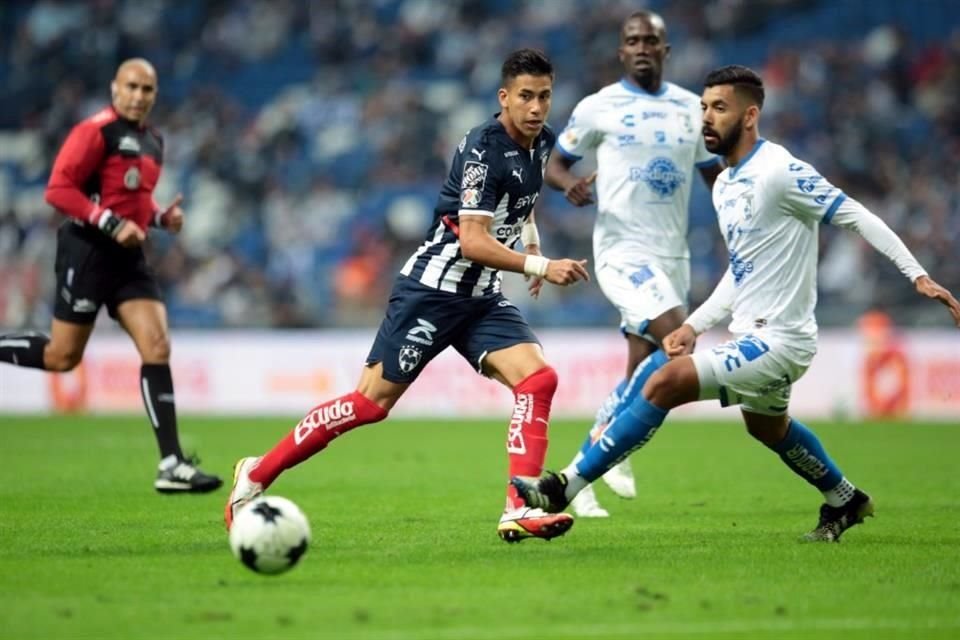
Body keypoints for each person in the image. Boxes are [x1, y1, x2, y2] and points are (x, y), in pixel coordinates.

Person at [513, 65, 960, 542]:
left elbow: (857, 215)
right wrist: (697, 324)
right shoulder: (726, 185)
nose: (706, 118)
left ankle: (565, 485)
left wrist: (917, 275)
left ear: (749, 116)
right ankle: (845, 498)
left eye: (719, 108)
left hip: (782, 340)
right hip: (752, 333)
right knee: (768, 429)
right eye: (703, 107)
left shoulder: (779, 171)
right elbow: (740, 272)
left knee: (666, 381)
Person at [225, 49, 591, 543]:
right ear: (504, 97)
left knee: (538, 381)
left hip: (481, 296)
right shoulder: (484, 149)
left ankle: (518, 507)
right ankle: (256, 473)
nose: (536, 107)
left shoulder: (541, 142)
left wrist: (531, 244)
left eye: (544, 96)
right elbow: (473, 240)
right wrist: (542, 265)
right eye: (525, 96)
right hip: (432, 292)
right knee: (370, 404)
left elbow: (520, 202)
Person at [0, 59, 222, 494]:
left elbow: (131, 200)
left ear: (155, 95)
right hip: (88, 251)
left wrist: (160, 217)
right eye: (132, 87)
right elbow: (58, 189)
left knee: (157, 344)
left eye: (148, 89)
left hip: (128, 257)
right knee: (62, 358)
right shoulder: (94, 131)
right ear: (115, 88)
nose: (139, 96)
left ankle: (172, 463)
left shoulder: (154, 141)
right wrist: (108, 224)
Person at [544, 10, 723, 517]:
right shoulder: (600, 107)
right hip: (623, 250)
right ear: (621, 51)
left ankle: (602, 454)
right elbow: (555, 164)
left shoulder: (694, 109)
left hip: (674, 255)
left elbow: (715, 178)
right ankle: (600, 452)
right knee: (676, 342)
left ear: (666, 51)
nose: (642, 46)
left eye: (651, 40)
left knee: (648, 365)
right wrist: (569, 187)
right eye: (632, 40)